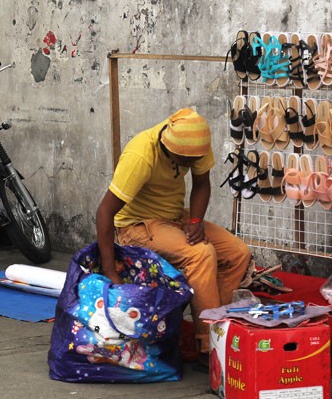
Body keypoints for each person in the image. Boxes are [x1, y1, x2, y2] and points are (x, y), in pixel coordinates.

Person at [95, 107, 252, 357]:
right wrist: (110, 269)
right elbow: (105, 212)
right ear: (169, 150)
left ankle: (218, 326)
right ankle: (207, 345)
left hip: (173, 217)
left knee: (237, 252)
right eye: (186, 161)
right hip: (137, 225)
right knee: (201, 254)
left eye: (194, 160)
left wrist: (196, 220)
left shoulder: (194, 142)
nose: (192, 165)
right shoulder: (141, 155)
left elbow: (202, 183)